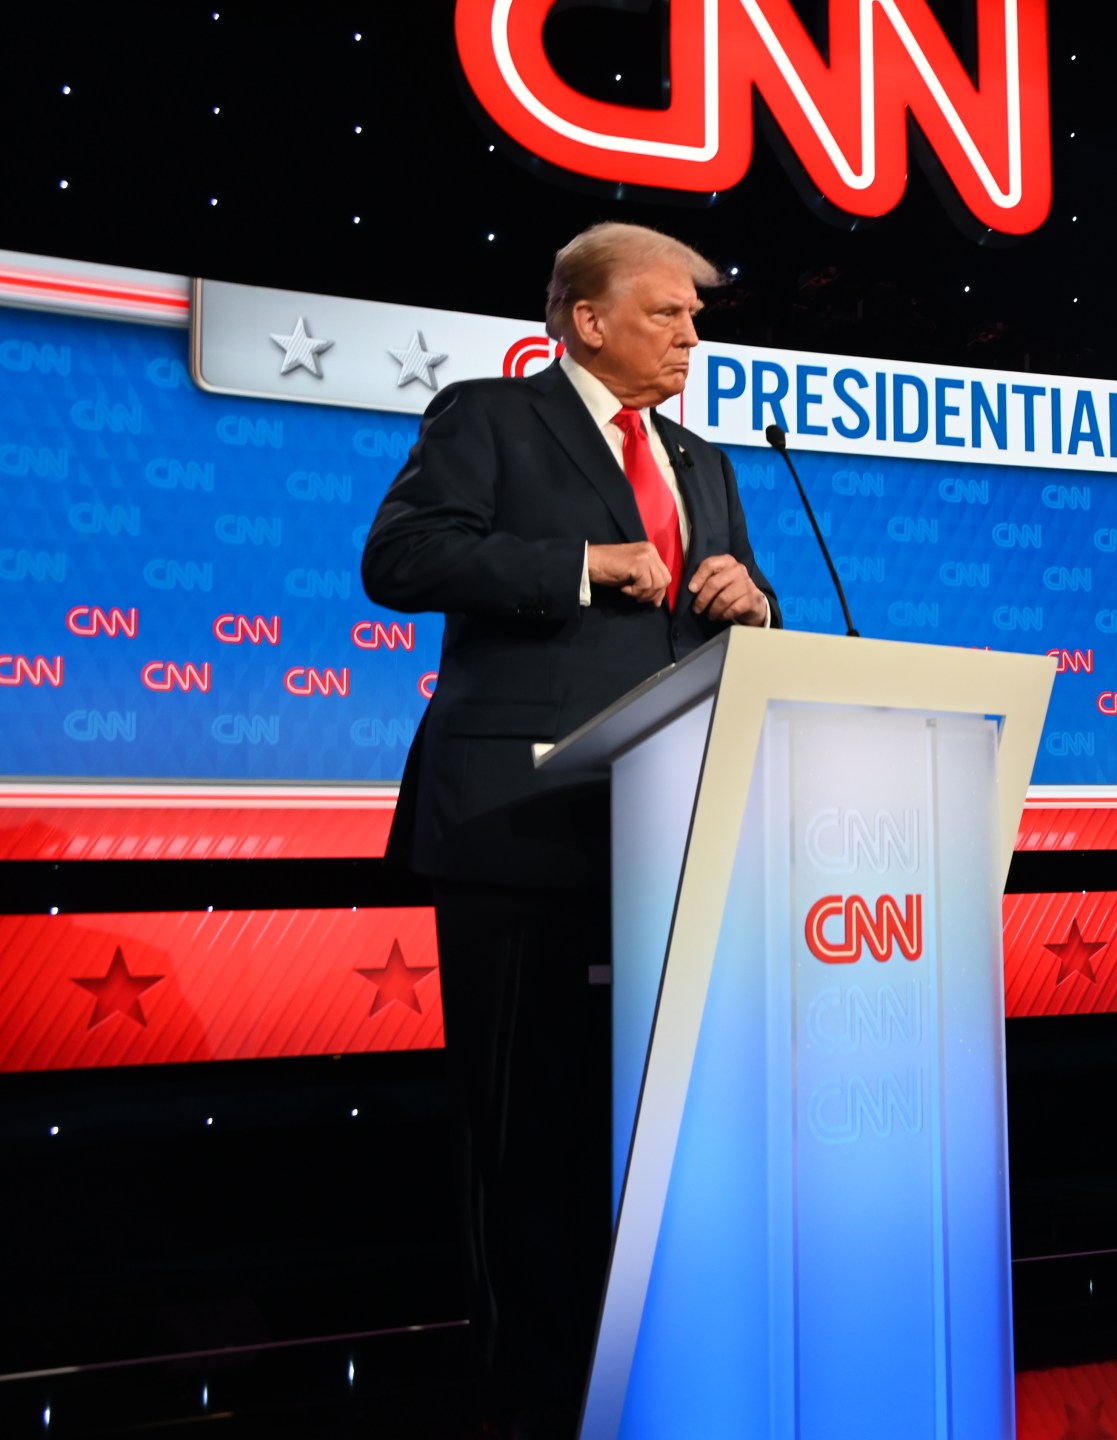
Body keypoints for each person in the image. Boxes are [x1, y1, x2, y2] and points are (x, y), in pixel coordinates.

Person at [362, 222, 779, 1436]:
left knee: (638, 1118)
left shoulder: (703, 460)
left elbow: (730, 608)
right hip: (516, 822)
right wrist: (582, 567)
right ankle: (523, 1386)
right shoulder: (487, 417)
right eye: (669, 314)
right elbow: (400, 558)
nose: (693, 336)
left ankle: (638, 1360)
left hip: (666, 824)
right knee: (519, 1126)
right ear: (586, 321)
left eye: (695, 318)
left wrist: (749, 600)